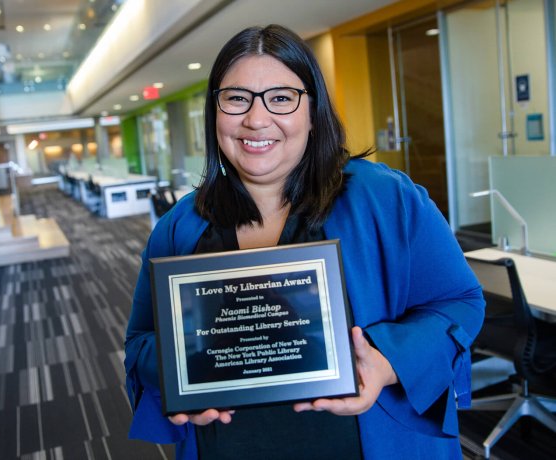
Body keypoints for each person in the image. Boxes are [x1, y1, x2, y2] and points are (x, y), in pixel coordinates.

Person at [124, 24, 485, 459]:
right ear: (214, 112)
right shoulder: (180, 226)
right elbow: (142, 341)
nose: (256, 119)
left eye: (281, 98)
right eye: (237, 98)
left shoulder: (385, 198)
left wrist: (388, 363)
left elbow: (460, 302)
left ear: (313, 112)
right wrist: (180, 376)